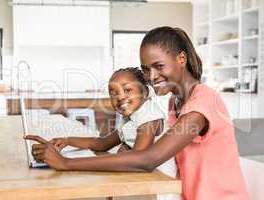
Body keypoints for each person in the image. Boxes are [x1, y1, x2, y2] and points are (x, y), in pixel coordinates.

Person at [25, 26, 249, 200]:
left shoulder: (202, 103)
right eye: (145, 69)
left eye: (159, 66)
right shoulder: (175, 101)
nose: (151, 77)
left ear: (181, 59)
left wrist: (65, 163)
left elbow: (147, 159)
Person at [26, 67, 176, 177]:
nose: (120, 97)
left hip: (160, 187)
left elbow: (135, 160)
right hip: (144, 181)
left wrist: (64, 162)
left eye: (127, 90)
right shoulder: (131, 118)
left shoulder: (149, 117)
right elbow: (102, 143)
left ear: (144, 92)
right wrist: (66, 140)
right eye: (113, 93)